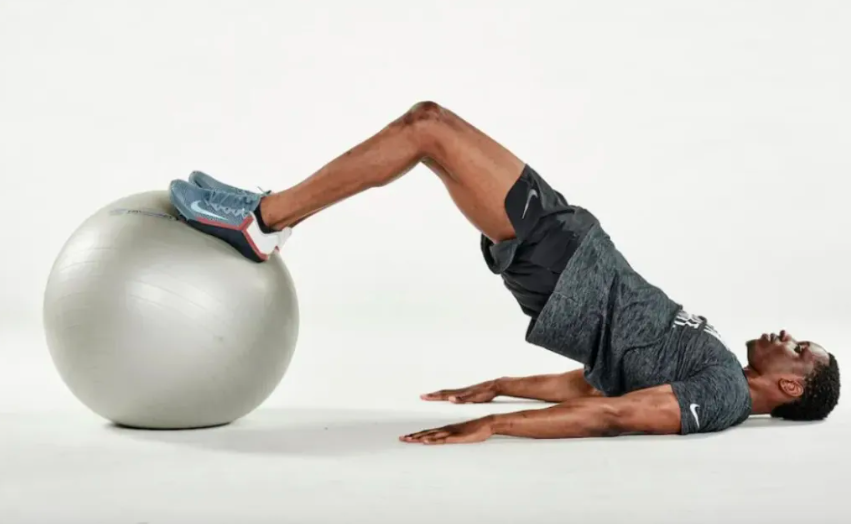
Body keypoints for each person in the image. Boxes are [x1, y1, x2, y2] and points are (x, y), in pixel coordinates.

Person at [168, 101, 840, 445]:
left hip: (567, 262)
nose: (789, 334)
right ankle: (267, 211)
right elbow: (600, 379)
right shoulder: (714, 365)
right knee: (428, 139)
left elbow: (618, 415)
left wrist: (498, 428)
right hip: (572, 250)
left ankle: (263, 219)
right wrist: (502, 387)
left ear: (787, 385)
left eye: (801, 349)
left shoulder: (720, 396)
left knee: (427, 127)